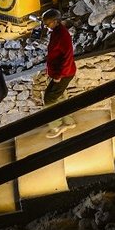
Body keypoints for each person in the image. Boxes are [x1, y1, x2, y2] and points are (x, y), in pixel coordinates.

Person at [42, 8, 77, 138]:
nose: (46, 26)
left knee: (49, 99)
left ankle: (56, 126)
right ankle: (69, 122)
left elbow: (67, 57)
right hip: (62, 72)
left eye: (48, 23)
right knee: (60, 96)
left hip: (64, 73)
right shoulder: (57, 31)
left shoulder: (62, 35)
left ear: (56, 21)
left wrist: (58, 76)